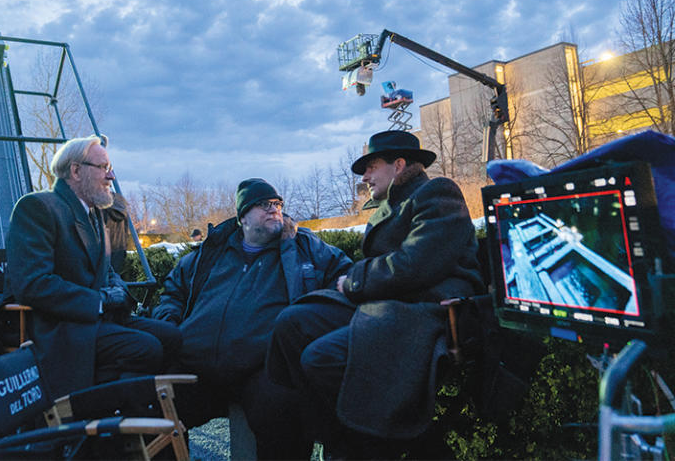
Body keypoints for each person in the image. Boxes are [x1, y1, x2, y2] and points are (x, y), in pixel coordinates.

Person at [267, 130, 483, 458]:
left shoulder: (438, 192)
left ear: (398, 165)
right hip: (384, 303)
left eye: (371, 166)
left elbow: (416, 264)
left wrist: (355, 280)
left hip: (422, 310)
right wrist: (359, 282)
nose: (365, 177)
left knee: (319, 358)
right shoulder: (391, 204)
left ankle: (363, 444)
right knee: (291, 323)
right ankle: (329, 436)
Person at [152, 178, 353, 459]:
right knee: (152, 408)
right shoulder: (214, 250)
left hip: (264, 368)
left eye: (278, 204)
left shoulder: (304, 246)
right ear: (243, 216)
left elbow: (346, 278)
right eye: (264, 205)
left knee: (284, 413)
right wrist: (170, 324)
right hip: (196, 364)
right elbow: (174, 289)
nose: (274, 210)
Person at [5, 135, 180, 397]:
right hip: (61, 328)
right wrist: (98, 300)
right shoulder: (37, 207)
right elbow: (33, 283)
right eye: (104, 168)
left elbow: (106, 270)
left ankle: (150, 422)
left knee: (172, 337)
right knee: (145, 348)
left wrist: (119, 291)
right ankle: (107, 424)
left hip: (95, 320)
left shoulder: (94, 212)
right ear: (76, 170)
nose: (111, 177)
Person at [105, 192, 130, 274]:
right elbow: (126, 229)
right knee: (115, 278)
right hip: (120, 248)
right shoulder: (121, 203)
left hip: (105, 249)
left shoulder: (100, 203)